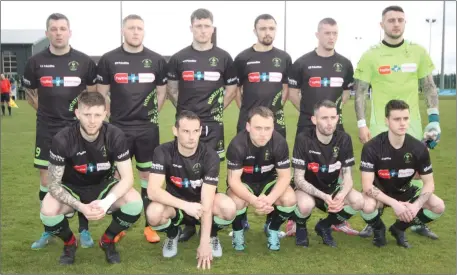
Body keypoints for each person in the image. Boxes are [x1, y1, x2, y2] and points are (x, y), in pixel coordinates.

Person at [354, 5, 441, 239]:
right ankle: (374, 222)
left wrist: (434, 119)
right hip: (379, 126)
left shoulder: (418, 52)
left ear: (405, 23)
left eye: (400, 20)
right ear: (382, 25)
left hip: (411, 125)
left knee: (414, 175)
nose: (396, 24)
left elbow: (429, 86)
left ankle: (416, 219)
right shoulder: (371, 54)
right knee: (378, 177)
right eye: (391, 20)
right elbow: (360, 91)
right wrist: (361, 122)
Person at [22, 13, 98, 249]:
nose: (58, 33)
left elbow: (92, 97)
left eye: (62, 28)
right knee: (47, 179)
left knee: (82, 176)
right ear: (47, 34)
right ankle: (50, 229)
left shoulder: (84, 62)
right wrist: (46, 112)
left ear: (69, 32)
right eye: (53, 29)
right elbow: (30, 94)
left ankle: (84, 230)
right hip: (47, 130)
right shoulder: (35, 62)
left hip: (78, 130)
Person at [40, 91, 143, 264]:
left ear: (105, 114)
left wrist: (105, 202)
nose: (92, 120)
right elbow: (53, 184)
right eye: (87, 114)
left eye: (97, 115)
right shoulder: (63, 139)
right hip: (71, 188)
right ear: (77, 113)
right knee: (48, 210)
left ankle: (107, 240)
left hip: (103, 186)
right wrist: (80, 206)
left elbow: (127, 178)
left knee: (135, 203)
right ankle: (70, 243)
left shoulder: (115, 135)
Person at [166, 8, 238, 242]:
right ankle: (189, 223)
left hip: (212, 126)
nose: (203, 30)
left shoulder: (224, 58)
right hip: (187, 127)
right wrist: (186, 115)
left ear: (212, 28)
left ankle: (212, 228)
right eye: (198, 26)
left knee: (210, 175)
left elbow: (231, 89)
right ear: (191, 28)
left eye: (207, 26)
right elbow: (172, 89)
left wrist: (216, 109)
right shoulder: (179, 58)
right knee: (184, 171)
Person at [96, 14, 167, 244]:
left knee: (149, 178)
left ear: (144, 32)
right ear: (123, 31)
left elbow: (161, 92)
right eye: (131, 28)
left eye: (139, 28)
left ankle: (149, 226)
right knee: (118, 177)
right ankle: (119, 226)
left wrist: (152, 113)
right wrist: (109, 118)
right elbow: (101, 93)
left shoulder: (156, 60)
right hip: (118, 130)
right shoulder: (109, 59)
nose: (136, 32)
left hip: (147, 129)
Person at [287, 17, 358, 236]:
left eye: (335, 33)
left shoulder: (345, 63)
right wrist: (313, 116)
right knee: (302, 173)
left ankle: (336, 219)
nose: (331, 37)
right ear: (317, 34)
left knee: (336, 171)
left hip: (335, 128)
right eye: (327, 33)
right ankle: (294, 216)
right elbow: (291, 93)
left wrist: (330, 117)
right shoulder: (302, 63)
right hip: (307, 125)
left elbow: (346, 94)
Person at [146, 110, 236, 269]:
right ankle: (173, 234)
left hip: (202, 205)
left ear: (201, 131)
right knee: (153, 214)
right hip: (177, 207)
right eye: (186, 131)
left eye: (195, 131)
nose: (191, 136)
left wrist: (204, 243)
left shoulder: (210, 155)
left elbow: (207, 201)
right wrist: (185, 206)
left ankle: (211, 234)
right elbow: (152, 191)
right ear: (175, 131)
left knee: (228, 208)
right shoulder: (162, 151)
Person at [231, 13, 292, 233]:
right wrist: (248, 113)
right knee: (243, 170)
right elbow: (236, 90)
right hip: (248, 124)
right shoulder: (242, 58)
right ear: (255, 30)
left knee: (275, 170)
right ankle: (242, 217)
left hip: (275, 125)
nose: (268, 32)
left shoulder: (284, 58)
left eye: (271, 28)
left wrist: (272, 115)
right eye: (263, 28)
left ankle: (271, 218)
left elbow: (285, 90)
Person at [359, 99, 445, 248]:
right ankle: (378, 228)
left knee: (438, 206)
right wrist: (395, 205)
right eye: (397, 119)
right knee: (367, 206)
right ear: (387, 121)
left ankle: (399, 228)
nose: (402, 123)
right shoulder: (371, 147)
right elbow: (367, 186)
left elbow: (429, 183)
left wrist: (416, 206)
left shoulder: (418, 148)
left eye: (405, 118)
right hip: (379, 192)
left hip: (405, 191)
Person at [291, 100, 364, 247]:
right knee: (305, 205)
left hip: (331, 187)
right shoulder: (303, 139)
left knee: (358, 201)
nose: (329, 122)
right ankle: (301, 227)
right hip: (307, 189)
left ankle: (324, 225)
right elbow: (298, 179)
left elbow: (348, 177)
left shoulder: (344, 139)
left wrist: (340, 196)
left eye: (333, 117)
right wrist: (324, 196)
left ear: (337, 118)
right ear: (314, 119)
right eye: (324, 118)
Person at [226, 106, 296, 251]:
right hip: (245, 183)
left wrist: (269, 199)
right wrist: (253, 200)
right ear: (248, 126)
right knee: (235, 201)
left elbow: (284, 176)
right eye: (258, 128)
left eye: (267, 128)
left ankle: (273, 228)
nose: (263, 134)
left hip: (268, 181)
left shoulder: (279, 142)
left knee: (289, 199)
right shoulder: (237, 144)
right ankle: (238, 233)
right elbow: (233, 181)